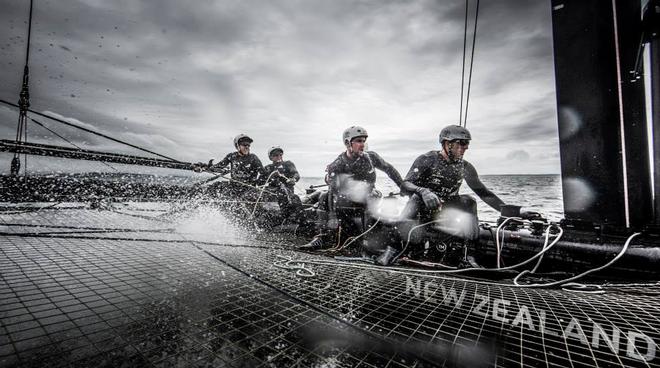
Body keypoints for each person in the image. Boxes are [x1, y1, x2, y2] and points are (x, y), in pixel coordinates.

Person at [400, 125, 507, 266]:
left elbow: (484, 193)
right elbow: (405, 184)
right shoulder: (427, 159)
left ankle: (468, 255)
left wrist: (511, 211)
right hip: (423, 207)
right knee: (416, 199)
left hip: (445, 209)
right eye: (461, 143)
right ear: (446, 143)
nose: (465, 147)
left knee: (469, 201)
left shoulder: (465, 167)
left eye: (467, 143)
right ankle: (394, 249)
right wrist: (423, 191)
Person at [301, 125, 404, 258]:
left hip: (369, 195)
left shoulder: (371, 157)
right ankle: (322, 236)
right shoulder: (338, 163)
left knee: (374, 197)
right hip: (348, 199)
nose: (362, 144)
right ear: (347, 143)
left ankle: (369, 243)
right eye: (359, 141)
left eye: (363, 141)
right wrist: (332, 216)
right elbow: (332, 189)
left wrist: (402, 186)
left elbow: (389, 169)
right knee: (324, 196)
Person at [195, 134, 266, 196]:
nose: (247, 147)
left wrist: (258, 184)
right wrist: (206, 167)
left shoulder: (253, 158)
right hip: (233, 186)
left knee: (247, 196)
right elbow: (219, 166)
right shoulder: (232, 156)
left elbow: (263, 173)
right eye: (244, 144)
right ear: (237, 146)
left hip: (249, 189)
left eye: (248, 145)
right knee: (216, 186)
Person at [262, 146, 303, 221]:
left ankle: (290, 218)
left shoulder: (288, 164)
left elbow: (296, 174)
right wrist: (270, 178)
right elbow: (260, 181)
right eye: (276, 155)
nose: (279, 157)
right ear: (270, 157)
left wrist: (293, 179)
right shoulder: (267, 168)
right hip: (272, 194)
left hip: (287, 193)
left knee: (286, 194)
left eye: (280, 155)